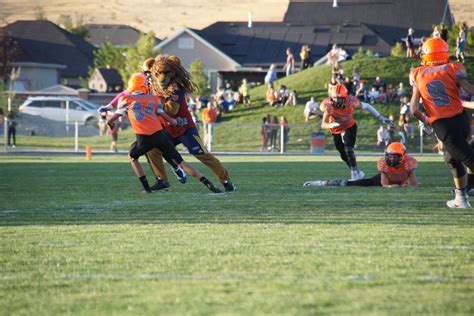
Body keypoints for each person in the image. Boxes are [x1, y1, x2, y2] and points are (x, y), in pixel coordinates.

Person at [107, 73, 222, 194]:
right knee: (182, 163)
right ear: (144, 86)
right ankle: (209, 185)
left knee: (133, 157)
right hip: (161, 136)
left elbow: (110, 120)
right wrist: (177, 122)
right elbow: (170, 120)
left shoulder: (126, 100)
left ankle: (146, 188)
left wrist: (111, 124)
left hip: (143, 139)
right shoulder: (154, 99)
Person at [410, 37, 474, 208]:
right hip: (461, 120)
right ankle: (461, 199)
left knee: (469, 159)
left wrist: (425, 121)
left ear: (425, 56)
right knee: (451, 158)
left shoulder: (417, 73)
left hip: (443, 124)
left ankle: (463, 196)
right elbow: (469, 89)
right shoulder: (454, 68)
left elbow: (414, 109)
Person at [320, 84, 393, 180]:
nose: (337, 101)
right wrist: (330, 125)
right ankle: (357, 171)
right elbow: (323, 124)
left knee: (349, 150)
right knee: (343, 155)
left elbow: (367, 106)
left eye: (340, 98)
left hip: (349, 126)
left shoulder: (351, 102)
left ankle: (354, 174)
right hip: (336, 130)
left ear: (345, 98)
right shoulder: (328, 105)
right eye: (334, 98)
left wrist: (380, 117)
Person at [303, 142, 417, 188]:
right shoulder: (384, 164)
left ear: (403, 156)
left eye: (394, 156)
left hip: (397, 181)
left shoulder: (409, 164)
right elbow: (384, 184)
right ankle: (321, 183)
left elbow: (413, 185)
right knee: (352, 184)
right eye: (389, 156)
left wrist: (404, 185)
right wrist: (389, 187)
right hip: (380, 180)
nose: (391, 159)